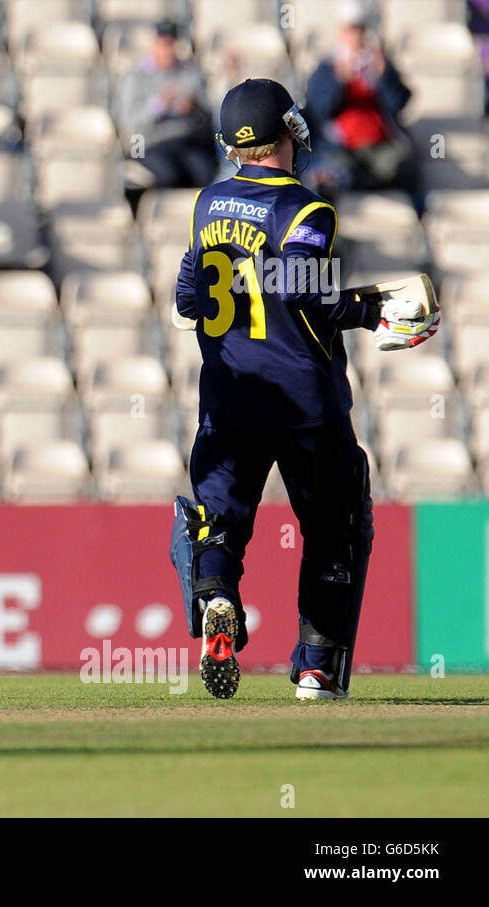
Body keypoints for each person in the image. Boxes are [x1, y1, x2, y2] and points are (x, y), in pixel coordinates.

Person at [169, 78, 438, 702]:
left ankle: (215, 601)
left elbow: (188, 298)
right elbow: (303, 292)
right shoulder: (308, 208)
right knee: (334, 530)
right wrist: (371, 310)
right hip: (304, 403)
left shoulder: (207, 203)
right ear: (284, 132)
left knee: (215, 525)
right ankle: (317, 669)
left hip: (229, 400)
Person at [304, 0, 415, 196]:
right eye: (350, 30)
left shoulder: (379, 65)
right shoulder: (326, 68)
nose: (355, 36)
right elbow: (317, 111)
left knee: (402, 164)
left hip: (379, 145)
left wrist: (383, 77)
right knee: (335, 172)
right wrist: (339, 81)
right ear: (340, 31)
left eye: (359, 29)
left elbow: (400, 103)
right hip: (341, 148)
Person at [116, 20, 214, 189]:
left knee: (204, 171)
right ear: (154, 45)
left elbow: (208, 118)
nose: (168, 50)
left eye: (171, 43)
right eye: (163, 44)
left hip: (186, 140)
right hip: (149, 143)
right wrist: (159, 105)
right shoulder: (136, 77)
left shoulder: (190, 73)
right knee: (168, 174)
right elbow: (128, 122)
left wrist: (193, 108)